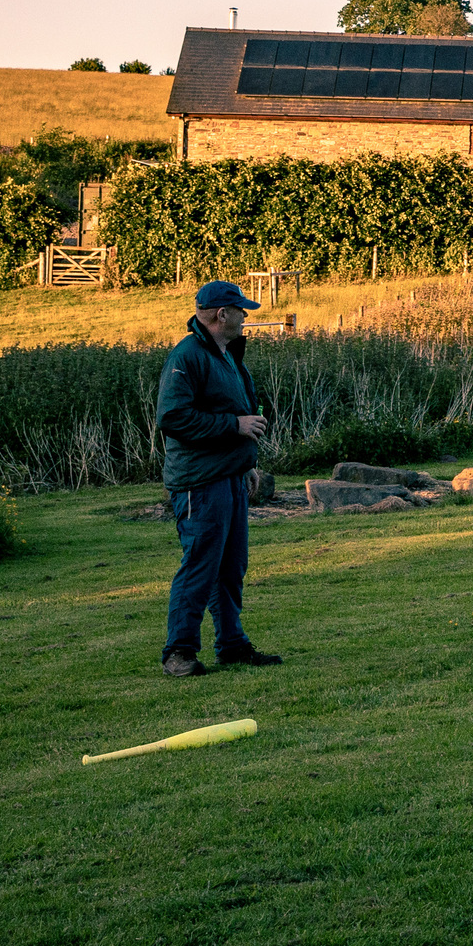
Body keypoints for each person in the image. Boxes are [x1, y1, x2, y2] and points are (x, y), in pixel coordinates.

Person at [156, 279, 281, 677]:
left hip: (230, 478)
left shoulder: (227, 354)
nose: (247, 316)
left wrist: (247, 464)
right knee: (199, 567)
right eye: (241, 310)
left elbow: (241, 414)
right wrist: (234, 426)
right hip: (199, 482)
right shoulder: (188, 356)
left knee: (230, 568)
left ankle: (232, 645)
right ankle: (178, 653)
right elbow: (173, 418)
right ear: (221, 314)